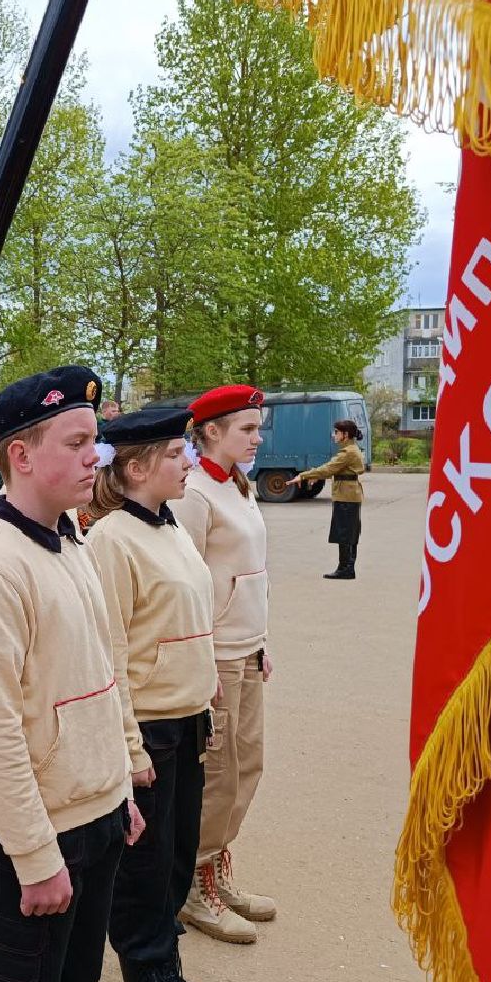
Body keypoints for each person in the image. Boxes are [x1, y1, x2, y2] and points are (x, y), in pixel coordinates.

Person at [0, 366, 142, 982]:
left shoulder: (73, 536)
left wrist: (119, 789)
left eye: (98, 439)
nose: (98, 455)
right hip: (28, 835)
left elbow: (103, 669)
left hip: (95, 816)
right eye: (78, 440)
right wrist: (33, 856)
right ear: (21, 456)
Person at [87, 409, 237, 982]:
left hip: (187, 717)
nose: (187, 462)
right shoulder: (111, 539)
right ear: (135, 467)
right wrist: (128, 747)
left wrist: (207, 678)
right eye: (176, 453)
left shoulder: (170, 524)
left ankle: (168, 976)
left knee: (174, 859)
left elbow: (189, 614)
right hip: (147, 727)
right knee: (143, 872)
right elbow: (109, 651)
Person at [174, 387, 275, 945]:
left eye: (258, 430)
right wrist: (202, 658)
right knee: (218, 774)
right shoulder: (194, 492)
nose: (258, 439)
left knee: (247, 767)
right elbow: (186, 582)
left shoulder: (238, 484)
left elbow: (250, 569)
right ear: (210, 430)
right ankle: (194, 886)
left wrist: (261, 638)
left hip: (248, 648)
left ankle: (214, 870)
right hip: (216, 656)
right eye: (247, 430)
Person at [288, 419, 366, 580]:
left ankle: (346, 569)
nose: (334, 435)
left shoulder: (348, 452)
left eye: (336, 432)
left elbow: (328, 468)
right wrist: (317, 476)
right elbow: (335, 470)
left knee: (345, 533)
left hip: (346, 496)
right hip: (349, 495)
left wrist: (303, 475)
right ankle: (346, 567)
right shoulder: (350, 450)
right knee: (349, 532)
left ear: (345, 435)